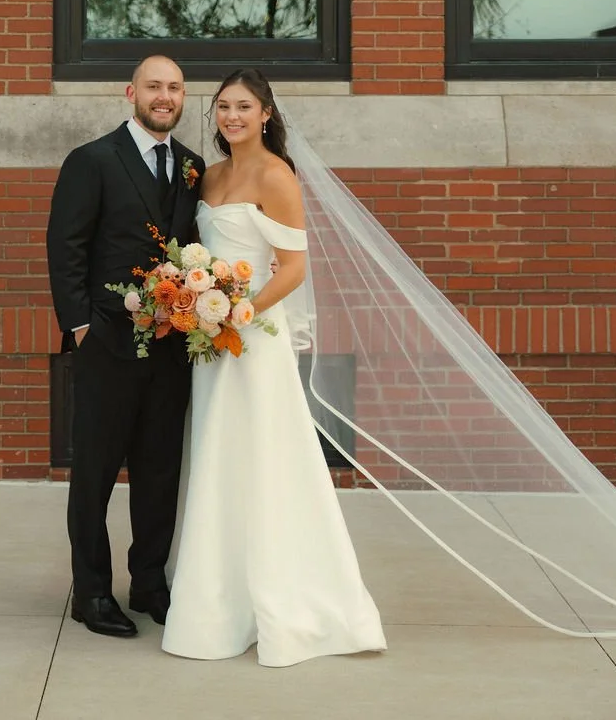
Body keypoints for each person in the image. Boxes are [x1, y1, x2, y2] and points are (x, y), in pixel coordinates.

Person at [162, 67, 387, 666]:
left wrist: (236, 312)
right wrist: (194, 302)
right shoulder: (208, 176)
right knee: (217, 454)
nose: (232, 117)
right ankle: (217, 601)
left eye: (244, 106)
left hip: (252, 340)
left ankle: (286, 595)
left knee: (263, 457)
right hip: (210, 343)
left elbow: (292, 268)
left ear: (266, 114)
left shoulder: (277, 175)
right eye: (223, 107)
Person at [46, 54, 205, 638]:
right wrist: (81, 327)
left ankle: (149, 585)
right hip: (107, 344)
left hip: (171, 348)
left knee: (160, 472)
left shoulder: (193, 166)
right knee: (94, 475)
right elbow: (66, 247)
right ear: (130, 92)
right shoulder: (92, 161)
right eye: (154, 86)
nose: (165, 96)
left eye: (176, 88)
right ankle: (90, 593)